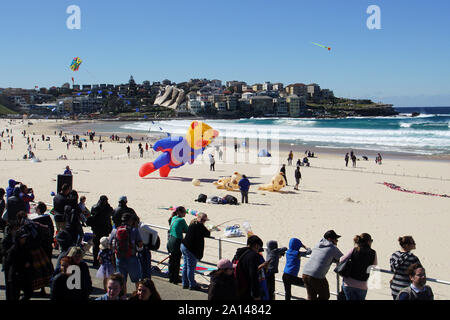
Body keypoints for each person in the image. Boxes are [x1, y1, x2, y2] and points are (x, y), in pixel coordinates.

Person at [302, 230, 343, 300]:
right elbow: (343, 258)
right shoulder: (332, 248)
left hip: (305, 272)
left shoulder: (317, 245)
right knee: (325, 296)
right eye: (336, 239)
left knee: (311, 296)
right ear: (330, 239)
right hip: (316, 275)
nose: (336, 241)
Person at [109, 212, 143, 295]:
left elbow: (110, 243)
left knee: (122, 281)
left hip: (120, 258)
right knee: (137, 280)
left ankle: (123, 296)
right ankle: (139, 296)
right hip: (131, 258)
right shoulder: (134, 230)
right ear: (131, 220)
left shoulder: (115, 230)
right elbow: (140, 244)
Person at [339, 233, 377, 300]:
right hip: (362, 284)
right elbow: (374, 266)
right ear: (368, 242)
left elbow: (342, 260)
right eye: (371, 241)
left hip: (349, 283)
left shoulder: (355, 249)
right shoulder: (373, 252)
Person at [180, 212, 211, 290]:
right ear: (199, 218)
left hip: (184, 245)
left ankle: (185, 283)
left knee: (186, 266)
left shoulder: (193, 223)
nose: (203, 221)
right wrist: (209, 229)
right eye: (203, 219)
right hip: (190, 248)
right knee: (190, 267)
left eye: (204, 220)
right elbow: (207, 233)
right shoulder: (199, 225)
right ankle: (192, 285)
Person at [232, 235, 265, 300]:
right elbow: (253, 275)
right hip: (246, 288)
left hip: (238, 285)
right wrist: (256, 295)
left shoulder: (239, 253)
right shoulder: (253, 256)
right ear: (256, 245)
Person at [4, 231, 33, 300]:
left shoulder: (26, 247)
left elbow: (30, 257)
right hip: (15, 276)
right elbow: (9, 261)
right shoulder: (13, 249)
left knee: (29, 292)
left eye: (25, 237)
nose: (24, 239)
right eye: (23, 238)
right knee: (15, 296)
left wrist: (29, 262)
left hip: (25, 275)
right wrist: (23, 264)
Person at [88, 195, 114, 267]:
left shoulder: (95, 207)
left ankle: (95, 260)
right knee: (104, 245)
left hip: (96, 229)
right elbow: (111, 212)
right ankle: (103, 260)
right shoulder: (107, 208)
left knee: (96, 245)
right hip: (104, 229)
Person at [167, 206, 188, 284]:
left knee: (171, 260)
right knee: (176, 261)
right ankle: (175, 278)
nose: (185, 213)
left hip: (170, 240)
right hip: (176, 241)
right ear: (179, 212)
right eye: (184, 212)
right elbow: (187, 229)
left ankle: (171, 277)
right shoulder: (181, 220)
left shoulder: (173, 218)